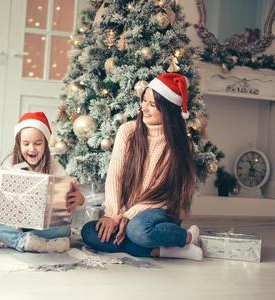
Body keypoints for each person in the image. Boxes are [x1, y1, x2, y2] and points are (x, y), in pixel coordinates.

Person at [81, 73, 203, 261]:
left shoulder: (179, 143)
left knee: (137, 230)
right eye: (143, 101)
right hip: (127, 211)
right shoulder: (128, 131)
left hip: (160, 209)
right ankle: (165, 250)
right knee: (90, 232)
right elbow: (115, 175)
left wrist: (127, 216)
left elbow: (163, 194)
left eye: (152, 105)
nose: (143, 108)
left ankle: (185, 236)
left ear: (168, 110)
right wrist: (113, 215)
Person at [0, 112, 86, 252]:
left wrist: (80, 199)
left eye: (38, 143)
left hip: (40, 225)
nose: (32, 149)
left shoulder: (54, 165)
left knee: (64, 229)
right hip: (12, 222)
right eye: (26, 144)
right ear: (19, 144)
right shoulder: (9, 162)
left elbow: (69, 201)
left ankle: (4, 239)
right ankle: (24, 241)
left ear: (46, 144)